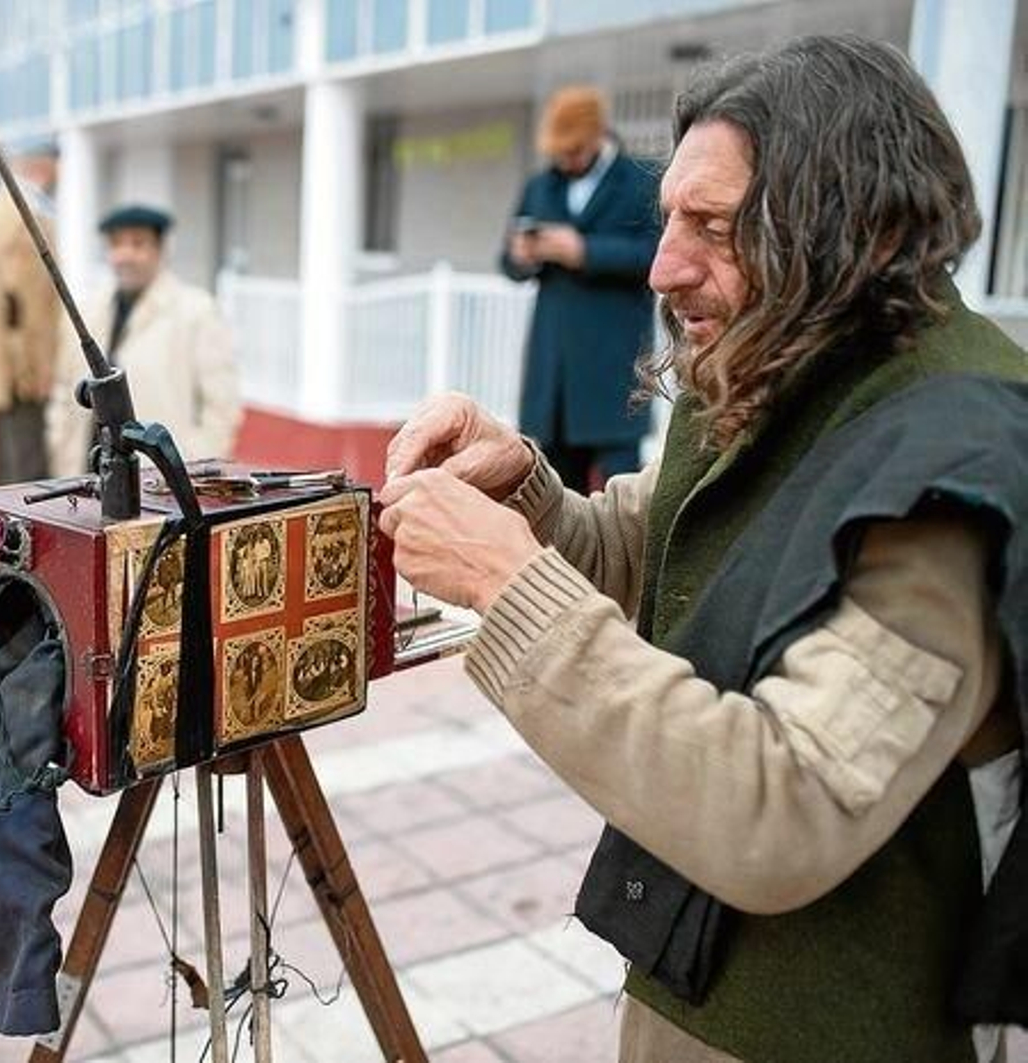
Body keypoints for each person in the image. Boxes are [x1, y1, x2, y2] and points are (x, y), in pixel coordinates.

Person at [381, 36, 1028, 1063]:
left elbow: (783, 809)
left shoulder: (948, 464)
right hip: (696, 983)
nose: (662, 267)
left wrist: (507, 585)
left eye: (715, 227)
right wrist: (526, 493)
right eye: (670, 217)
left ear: (850, 232)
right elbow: (660, 545)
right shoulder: (780, 346)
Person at [500, 85, 661, 491]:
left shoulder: (641, 180)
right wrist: (523, 255)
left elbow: (657, 256)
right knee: (554, 504)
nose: (565, 161)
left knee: (623, 500)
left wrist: (584, 251)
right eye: (559, 153)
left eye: (573, 151)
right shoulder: (540, 186)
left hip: (615, 371)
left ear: (597, 136)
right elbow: (507, 264)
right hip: (553, 378)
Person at [45, 204, 242, 478]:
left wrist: (191, 468)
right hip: (86, 477)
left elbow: (221, 407)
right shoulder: (89, 310)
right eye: (117, 244)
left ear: (160, 250)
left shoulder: (197, 311)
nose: (125, 255)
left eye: (138, 244)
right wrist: (60, 450)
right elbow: (64, 391)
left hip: (162, 482)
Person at [0, 142, 61, 484]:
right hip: (20, 364)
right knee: (28, 472)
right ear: (46, 167)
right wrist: (34, 368)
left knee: (5, 467)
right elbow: (26, 303)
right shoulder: (28, 218)